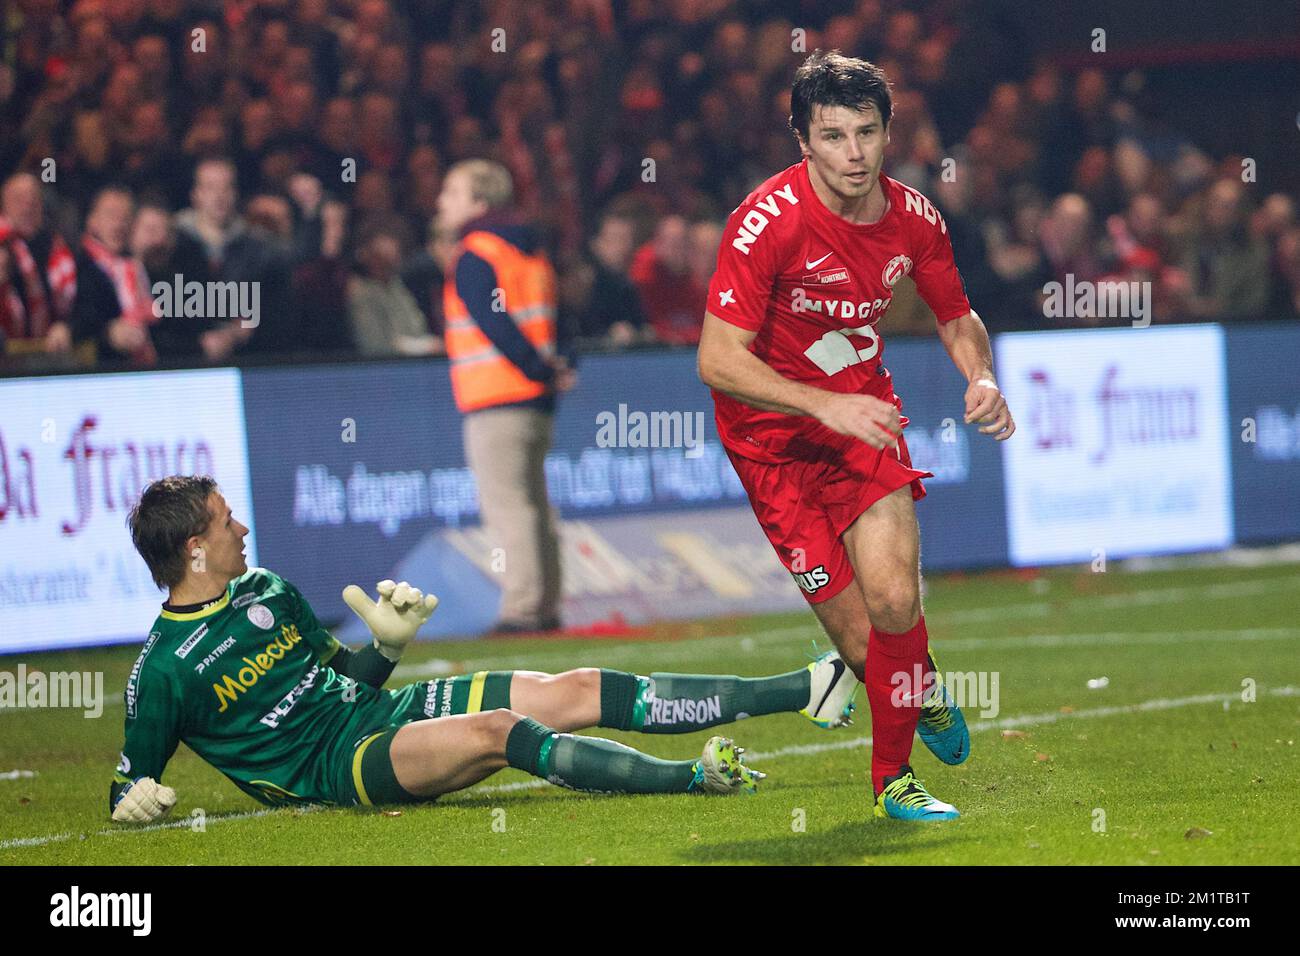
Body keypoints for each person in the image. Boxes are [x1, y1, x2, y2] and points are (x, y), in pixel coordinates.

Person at [109, 475, 864, 822]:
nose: (242, 529)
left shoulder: (267, 591)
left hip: (374, 711)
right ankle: (694, 784)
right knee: (500, 733)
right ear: (194, 547)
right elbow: (129, 784)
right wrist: (134, 801)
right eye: (225, 521)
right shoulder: (163, 670)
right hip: (334, 768)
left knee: (575, 686)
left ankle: (807, 688)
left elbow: (341, 679)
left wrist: (386, 648)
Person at [697, 51, 1016, 822]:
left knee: (896, 598)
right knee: (866, 647)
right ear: (802, 140)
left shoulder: (915, 219)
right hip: (772, 447)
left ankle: (892, 782)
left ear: (886, 133)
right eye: (833, 136)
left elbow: (955, 313)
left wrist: (981, 377)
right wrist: (817, 404)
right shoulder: (764, 224)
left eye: (866, 133)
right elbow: (716, 359)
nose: (853, 154)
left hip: (861, 422)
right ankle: (924, 688)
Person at [436, 159, 569, 635]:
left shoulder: (476, 252)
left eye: (451, 191)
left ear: (479, 202)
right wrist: (555, 369)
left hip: (496, 396)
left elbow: (493, 326)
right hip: (536, 401)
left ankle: (523, 606)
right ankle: (546, 601)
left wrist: (534, 368)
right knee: (533, 503)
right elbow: (560, 314)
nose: (441, 202)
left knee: (508, 506)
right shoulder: (529, 251)